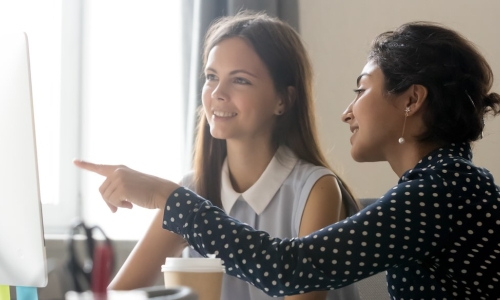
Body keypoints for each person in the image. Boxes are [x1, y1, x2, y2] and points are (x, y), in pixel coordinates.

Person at [75, 21, 500, 299]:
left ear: (411, 99)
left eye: (362, 89)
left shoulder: (442, 189)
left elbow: (292, 267)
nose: (347, 110)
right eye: (210, 77)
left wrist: (168, 198)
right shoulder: (444, 185)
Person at [75, 12, 360, 300]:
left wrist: (163, 194)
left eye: (240, 81)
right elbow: (116, 295)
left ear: (282, 100)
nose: (217, 93)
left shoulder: (316, 190)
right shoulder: (192, 191)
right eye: (212, 77)